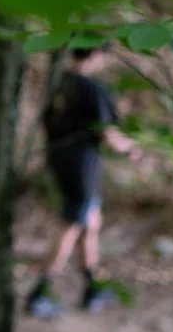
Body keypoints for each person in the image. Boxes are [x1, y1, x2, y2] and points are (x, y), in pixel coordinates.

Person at [27, 41, 141, 317]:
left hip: (59, 158)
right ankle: (41, 290)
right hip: (81, 163)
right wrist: (131, 148)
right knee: (73, 222)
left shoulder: (59, 83)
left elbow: (44, 122)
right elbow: (107, 133)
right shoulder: (91, 88)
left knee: (90, 220)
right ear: (96, 53)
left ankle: (94, 285)